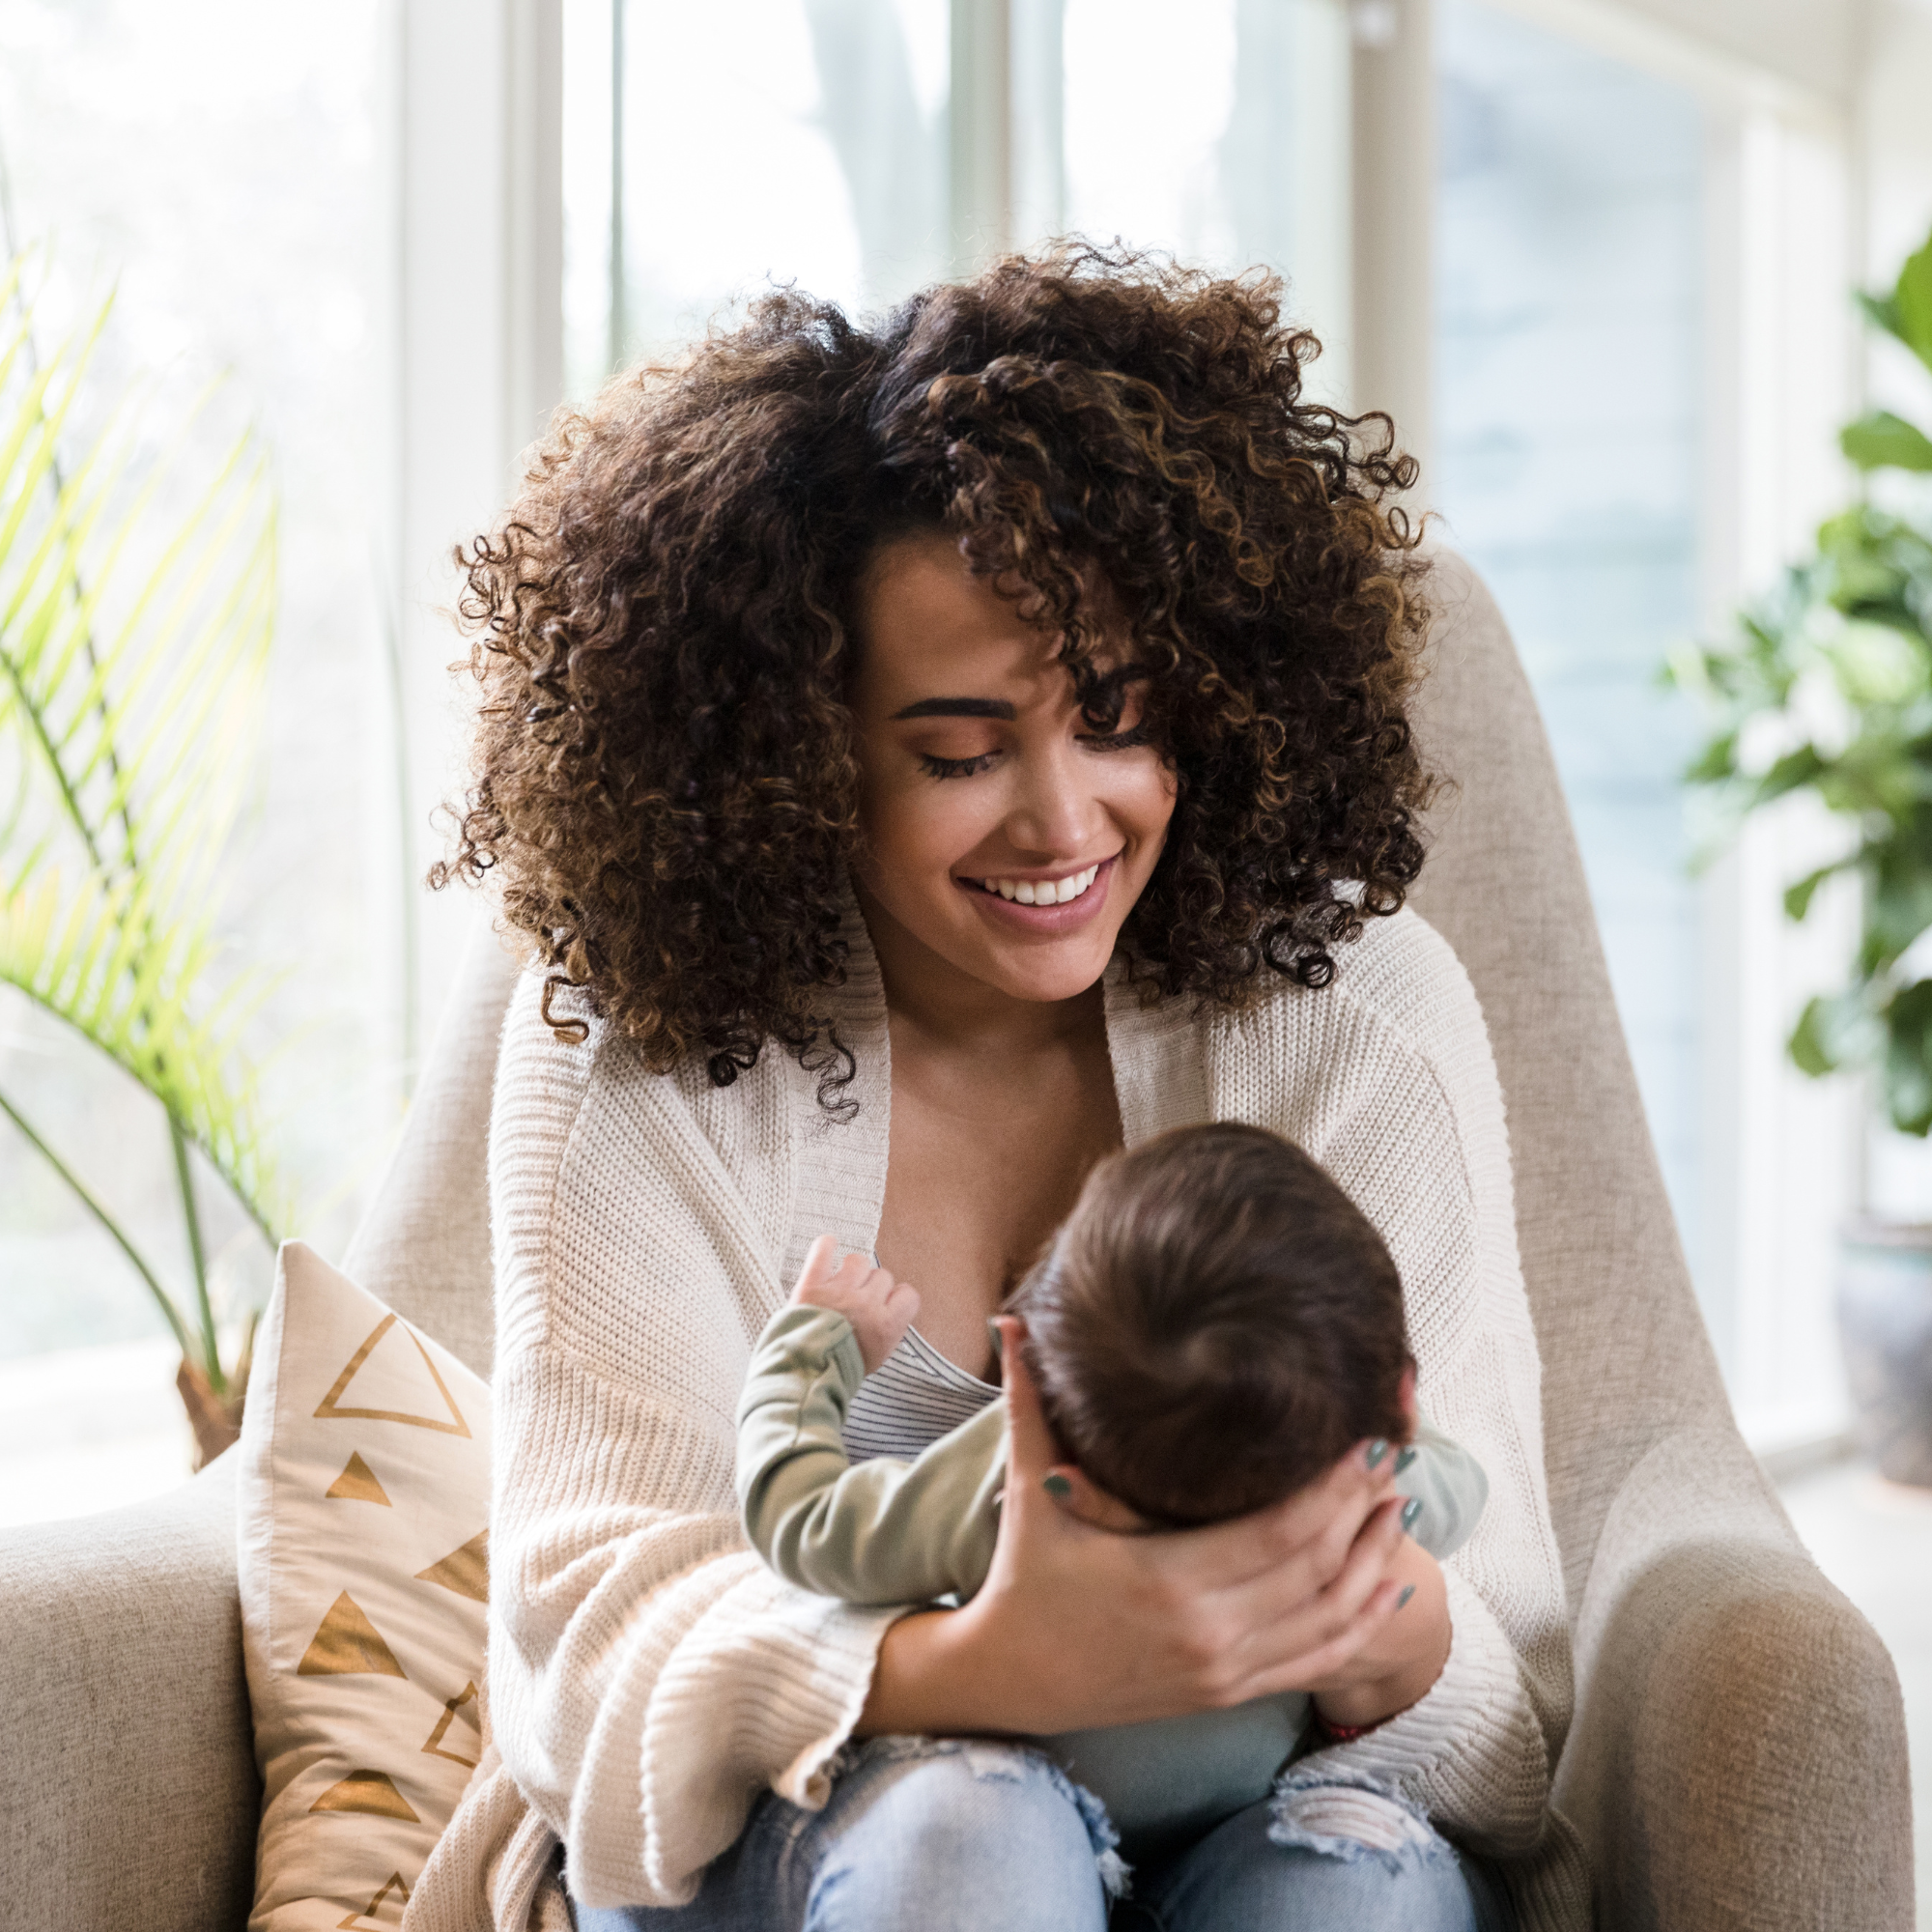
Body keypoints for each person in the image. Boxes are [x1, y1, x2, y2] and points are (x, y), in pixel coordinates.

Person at [409, 248, 1588, 1932]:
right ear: (798, 752)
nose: (1063, 821)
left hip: (1281, 1799)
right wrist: (974, 1666)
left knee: (1362, 1899)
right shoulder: (634, 1043)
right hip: (813, 1835)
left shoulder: (1360, 1020)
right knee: (972, 1838)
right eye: (959, 754)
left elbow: (1507, 1722)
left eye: (1118, 720)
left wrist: (1364, 1629)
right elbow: (586, 1667)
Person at [737, 1122, 1492, 1874]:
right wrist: (1363, 1411)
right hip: (1235, 1842)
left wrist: (816, 1346)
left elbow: (798, 1518)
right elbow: (1466, 1483)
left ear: (1029, 1354)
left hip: (1017, 1836)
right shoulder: (1354, 1503)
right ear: (1398, 1397)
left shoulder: (1011, 1484)